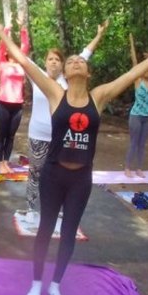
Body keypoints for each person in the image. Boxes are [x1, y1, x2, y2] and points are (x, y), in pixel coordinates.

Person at [0, 18, 148, 295]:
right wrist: (1, 34)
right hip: (54, 174)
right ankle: (37, 281)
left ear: (88, 72)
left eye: (81, 61)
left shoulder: (99, 96)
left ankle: (55, 285)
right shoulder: (56, 93)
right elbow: (24, 61)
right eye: (72, 61)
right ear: (65, 72)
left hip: (81, 180)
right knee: (45, 229)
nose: (77, 62)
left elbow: (132, 75)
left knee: (68, 233)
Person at [18, 22, 105, 226]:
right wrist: (13, 32)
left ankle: (59, 210)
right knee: (35, 172)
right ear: (45, 63)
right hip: (38, 136)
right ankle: (31, 208)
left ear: (63, 66)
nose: (54, 62)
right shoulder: (38, 77)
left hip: (63, 141)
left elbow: (85, 54)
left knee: (62, 177)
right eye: (50, 59)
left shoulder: (69, 83)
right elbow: (22, 58)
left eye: (58, 59)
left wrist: (99, 34)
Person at [0, 22, 31, 173]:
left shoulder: (21, 64)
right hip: (3, 104)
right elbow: (2, 45)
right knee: (1, 135)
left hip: (17, 105)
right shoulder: (2, 63)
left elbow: (25, 46)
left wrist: (23, 28)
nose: (12, 50)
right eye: (10, 48)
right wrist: (6, 28)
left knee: (10, 136)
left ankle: (6, 162)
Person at [124, 32, 148, 178]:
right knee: (134, 142)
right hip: (136, 116)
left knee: (142, 144)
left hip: (147, 117)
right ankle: (127, 167)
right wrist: (132, 42)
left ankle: (139, 168)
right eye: (145, 68)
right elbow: (134, 61)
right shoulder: (137, 80)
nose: (147, 70)